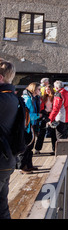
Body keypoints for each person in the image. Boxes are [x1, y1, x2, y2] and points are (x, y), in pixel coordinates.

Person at [0, 59, 19, 219]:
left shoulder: (2, 99)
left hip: (1, 158)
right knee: (2, 207)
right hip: (6, 159)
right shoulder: (12, 98)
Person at [20, 82, 42, 173]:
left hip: (31, 125)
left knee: (30, 146)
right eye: (39, 89)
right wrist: (38, 115)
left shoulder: (33, 98)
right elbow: (27, 115)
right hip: (27, 126)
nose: (40, 91)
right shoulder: (28, 99)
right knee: (27, 146)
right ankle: (23, 166)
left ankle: (29, 165)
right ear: (34, 89)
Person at [35, 84, 56, 155]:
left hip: (52, 115)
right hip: (44, 115)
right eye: (46, 90)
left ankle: (54, 149)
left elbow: (55, 107)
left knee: (53, 134)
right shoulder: (42, 98)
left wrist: (51, 116)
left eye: (49, 89)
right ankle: (37, 149)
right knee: (41, 133)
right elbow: (41, 108)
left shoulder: (54, 97)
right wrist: (44, 113)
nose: (47, 91)